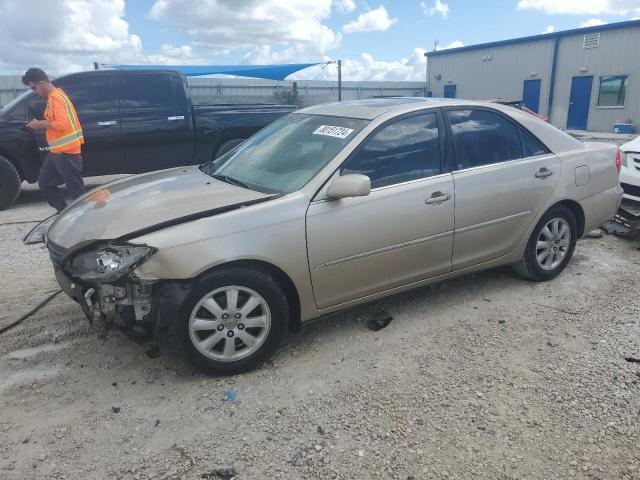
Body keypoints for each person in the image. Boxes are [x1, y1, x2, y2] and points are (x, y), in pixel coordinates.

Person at [22, 67, 85, 213]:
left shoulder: (56, 98)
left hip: (67, 152)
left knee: (77, 192)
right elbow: (56, 121)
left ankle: (87, 222)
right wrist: (43, 122)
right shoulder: (52, 98)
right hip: (58, 152)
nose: (34, 91)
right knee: (45, 183)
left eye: (33, 87)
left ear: (42, 83)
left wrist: (40, 124)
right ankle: (63, 213)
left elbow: (63, 124)